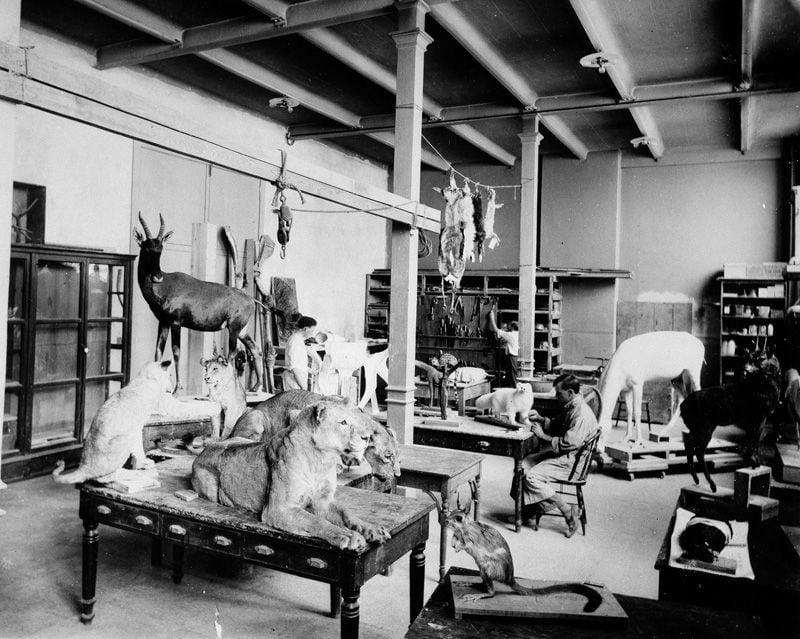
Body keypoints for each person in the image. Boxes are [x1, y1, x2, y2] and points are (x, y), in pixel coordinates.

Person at [520, 374, 598, 538]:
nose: (556, 396)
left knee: (531, 477)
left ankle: (567, 510)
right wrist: (541, 419)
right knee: (523, 464)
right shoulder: (573, 406)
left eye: (559, 393)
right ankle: (530, 509)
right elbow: (557, 424)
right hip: (567, 456)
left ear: (570, 392)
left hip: (571, 462)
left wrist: (542, 435)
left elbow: (566, 444)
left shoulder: (581, 414)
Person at [281, 315, 323, 391]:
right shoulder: (294, 341)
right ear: (305, 329)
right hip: (294, 379)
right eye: (312, 331)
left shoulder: (300, 340)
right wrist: (303, 387)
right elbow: (294, 368)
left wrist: (312, 370)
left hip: (298, 378)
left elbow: (300, 363)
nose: (312, 333)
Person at [488, 303, 519, 386]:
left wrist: (492, 317)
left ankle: (513, 391)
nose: (507, 328)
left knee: (512, 376)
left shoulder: (511, 335)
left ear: (512, 327)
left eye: (509, 326)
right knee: (512, 375)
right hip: (514, 357)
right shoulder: (517, 334)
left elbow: (495, 329)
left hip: (512, 357)